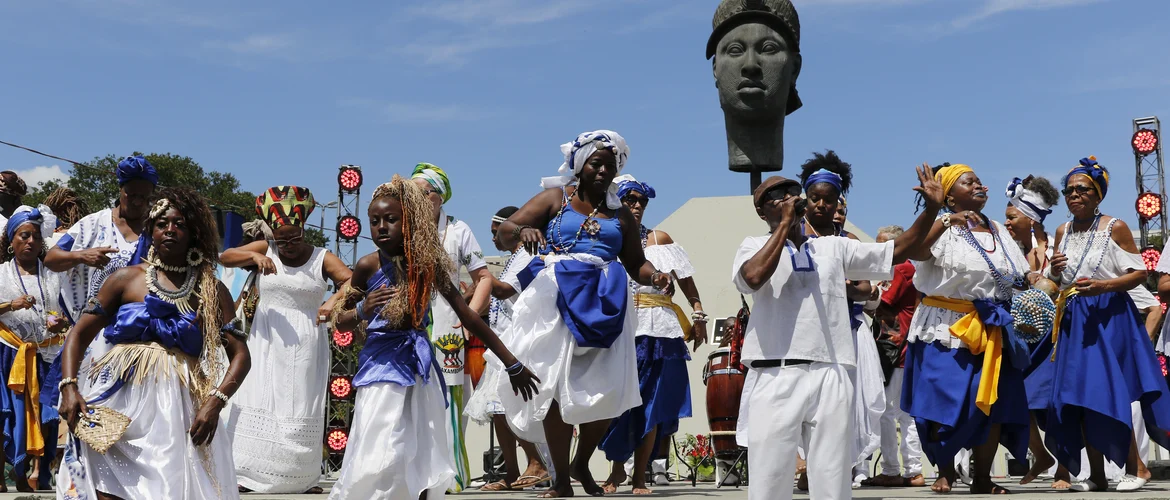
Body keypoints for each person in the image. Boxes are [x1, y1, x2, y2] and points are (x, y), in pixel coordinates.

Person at [732, 166, 941, 500]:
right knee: (769, 481)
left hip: (831, 370)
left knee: (832, 479)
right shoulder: (752, 245)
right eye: (775, 196)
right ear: (761, 211)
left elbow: (898, 250)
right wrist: (786, 225)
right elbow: (753, 278)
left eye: (790, 192)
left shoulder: (833, 247)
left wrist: (932, 210)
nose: (787, 198)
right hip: (774, 374)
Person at [326, 176, 539, 499]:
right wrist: (361, 312)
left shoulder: (427, 265)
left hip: (417, 365)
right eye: (374, 221)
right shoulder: (368, 265)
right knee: (383, 444)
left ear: (409, 220)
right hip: (380, 367)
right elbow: (338, 321)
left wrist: (511, 362)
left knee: (420, 446)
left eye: (391, 219)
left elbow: (468, 314)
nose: (382, 227)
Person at [494, 130, 671, 498]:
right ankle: (561, 478)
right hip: (557, 296)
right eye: (596, 163)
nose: (604, 170)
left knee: (606, 390)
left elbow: (635, 262)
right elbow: (506, 232)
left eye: (611, 164)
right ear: (580, 165)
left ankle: (582, 461)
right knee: (556, 387)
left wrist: (654, 275)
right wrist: (525, 228)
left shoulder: (621, 214)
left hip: (606, 300)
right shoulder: (555, 198)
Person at [55, 187, 251, 499]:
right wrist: (69, 387)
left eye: (180, 224)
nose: (170, 230)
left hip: (177, 406)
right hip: (117, 397)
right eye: (162, 223)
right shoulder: (125, 279)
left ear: (194, 233)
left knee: (166, 483)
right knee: (100, 472)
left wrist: (215, 404)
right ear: (151, 230)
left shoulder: (211, 289)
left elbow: (241, 356)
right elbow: (78, 334)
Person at [901, 163, 1033, 494]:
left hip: (991, 327)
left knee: (989, 403)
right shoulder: (938, 225)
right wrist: (943, 218)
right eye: (968, 181)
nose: (978, 185)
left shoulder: (999, 231)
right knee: (939, 400)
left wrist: (1039, 281)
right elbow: (915, 251)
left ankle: (983, 477)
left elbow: (1018, 276)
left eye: (979, 180)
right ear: (948, 195)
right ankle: (945, 469)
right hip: (945, 327)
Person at [1042, 156, 1170, 492]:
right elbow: (1056, 282)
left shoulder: (1116, 226)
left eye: (1082, 189)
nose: (1074, 195)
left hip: (1109, 313)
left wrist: (1103, 286)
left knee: (1111, 391)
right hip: (1074, 316)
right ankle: (1096, 475)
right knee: (1081, 394)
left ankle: (1137, 468)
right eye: (1068, 190)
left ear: (1097, 194)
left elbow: (1141, 274)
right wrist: (1054, 271)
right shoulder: (1062, 231)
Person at [221, 186, 352, 494]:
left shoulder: (322, 257)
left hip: (306, 340)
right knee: (258, 397)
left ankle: (301, 477)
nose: (289, 246)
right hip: (266, 340)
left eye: (295, 239)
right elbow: (224, 257)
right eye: (283, 240)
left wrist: (332, 303)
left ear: (304, 230)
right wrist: (254, 254)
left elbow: (350, 280)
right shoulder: (266, 248)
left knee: (300, 404)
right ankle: (248, 473)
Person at [598, 175, 708, 494]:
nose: (636, 206)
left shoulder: (659, 239)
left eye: (641, 202)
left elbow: (686, 281)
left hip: (659, 330)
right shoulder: (604, 239)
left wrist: (698, 313)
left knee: (651, 403)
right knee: (619, 402)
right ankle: (616, 470)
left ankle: (639, 476)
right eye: (629, 200)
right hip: (620, 329)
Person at [793, 151, 885, 490]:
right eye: (814, 198)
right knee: (803, 407)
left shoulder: (848, 243)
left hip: (845, 333)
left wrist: (843, 285)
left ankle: (838, 469)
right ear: (805, 199)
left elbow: (865, 289)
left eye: (828, 200)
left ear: (837, 204)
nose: (820, 205)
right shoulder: (792, 239)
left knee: (840, 408)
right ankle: (805, 467)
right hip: (802, 336)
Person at [411, 163, 492, 492]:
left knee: (449, 401)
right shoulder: (401, 225)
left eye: (421, 192)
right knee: (410, 398)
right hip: (410, 324)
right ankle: (414, 475)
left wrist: (469, 317)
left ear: (438, 197)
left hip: (448, 327)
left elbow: (484, 278)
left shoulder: (458, 230)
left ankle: (452, 477)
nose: (413, 198)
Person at [465, 206, 551, 492]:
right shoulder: (513, 258)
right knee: (496, 409)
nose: (493, 239)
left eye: (495, 232)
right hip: (501, 341)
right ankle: (512, 473)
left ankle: (536, 463)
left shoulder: (530, 254)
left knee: (506, 407)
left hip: (518, 343)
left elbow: (503, 291)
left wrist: (480, 282)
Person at [0, 207, 67, 493]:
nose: (30, 242)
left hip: (46, 354)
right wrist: (11, 306)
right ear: (11, 241)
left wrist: (61, 323)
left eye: (35, 237)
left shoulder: (54, 275)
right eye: (23, 236)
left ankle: (36, 473)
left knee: (45, 415)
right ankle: (3, 475)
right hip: (8, 352)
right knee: (6, 414)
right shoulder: (1, 273)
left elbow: (68, 314)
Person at [46, 155, 157, 323]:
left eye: (144, 197)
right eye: (131, 194)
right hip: (92, 332)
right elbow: (51, 259)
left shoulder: (155, 231)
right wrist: (82, 256)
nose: (137, 202)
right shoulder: (92, 224)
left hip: (138, 330)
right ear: (120, 189)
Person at [865, 225, 926, 488]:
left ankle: (897, 470)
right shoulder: (901, 268)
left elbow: (882, 302)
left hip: (895, 350)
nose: (878, 250)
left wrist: (858, 292)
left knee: (890, 412)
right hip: (896, 348)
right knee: (899, 413)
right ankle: (911, 470)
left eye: (882, 245)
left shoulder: (900, 268)